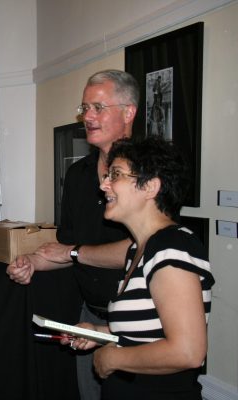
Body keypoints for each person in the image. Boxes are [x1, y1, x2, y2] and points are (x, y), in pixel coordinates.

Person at [7, 69, 139, 399]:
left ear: (128, 112)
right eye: (84, 108)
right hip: (90, 316)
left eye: (98, 107)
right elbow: (65, 250)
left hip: (140, 322)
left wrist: (73, 253)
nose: (88, 117)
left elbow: (144, 248)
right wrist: (31, 263)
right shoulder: (78, 174)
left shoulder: (150, 170)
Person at [62, 136, 214, 399]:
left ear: (150, 187)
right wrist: (99, 333)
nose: (103, 184)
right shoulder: (138, 250)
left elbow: (188, 351)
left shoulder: (173, 247)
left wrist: (114, 358)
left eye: (116, 175)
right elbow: (147, 332)